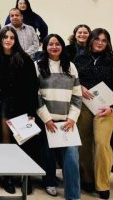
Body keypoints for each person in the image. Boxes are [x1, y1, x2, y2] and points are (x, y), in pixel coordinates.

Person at [0, 26, 39, 194]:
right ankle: (8, 176)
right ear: (0, 39)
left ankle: (25, 177)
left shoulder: (24, 59)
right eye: (5, 37)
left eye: (11, 37)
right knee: (6, 142)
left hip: (21, 105)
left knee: (24, 142)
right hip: (1, 105)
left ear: (15, 40)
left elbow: (33, 87)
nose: (8, 40)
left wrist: (31, 112)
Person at [74, 28, 113, 199]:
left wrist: (112, 106)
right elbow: (73, 78)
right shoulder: (80, 58)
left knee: (102, 143)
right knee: (84, 143)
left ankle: (103, 183)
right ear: (91, 40)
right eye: (97, 39)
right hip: (84, 105)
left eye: (104, 40)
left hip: (106, 107)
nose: (100, 42)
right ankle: (87, 179)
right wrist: (79, 87)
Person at [35, 34, 82, 200]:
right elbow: (36, 95)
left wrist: (72, 118)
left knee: (72, 157)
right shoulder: (38, 65)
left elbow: (77, 95)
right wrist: (46, 118)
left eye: (57, 44)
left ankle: (73, 195)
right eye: (50, 44)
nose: (54, 47)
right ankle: (50, 182)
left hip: (67, 121)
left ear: (62, 46)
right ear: (45, 47)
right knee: (47, 154)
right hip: (47, 120)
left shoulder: (71, 67)